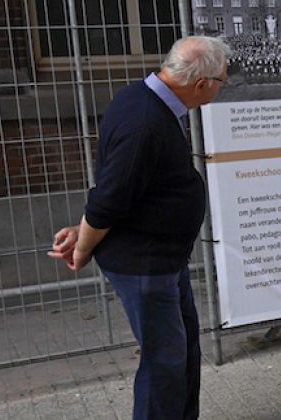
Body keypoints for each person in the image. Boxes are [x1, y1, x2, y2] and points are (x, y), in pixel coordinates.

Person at [47, 36, 232, 420]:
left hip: (164, 258)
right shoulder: (146, 123)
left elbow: (124, 186)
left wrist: (82, 230)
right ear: (201, 85)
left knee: (182, 352)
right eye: (221, 81)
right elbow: (109, 198)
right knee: (163, 361)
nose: (220, 88)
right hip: (145, 264)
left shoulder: (144, 99)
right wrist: (82, 247)